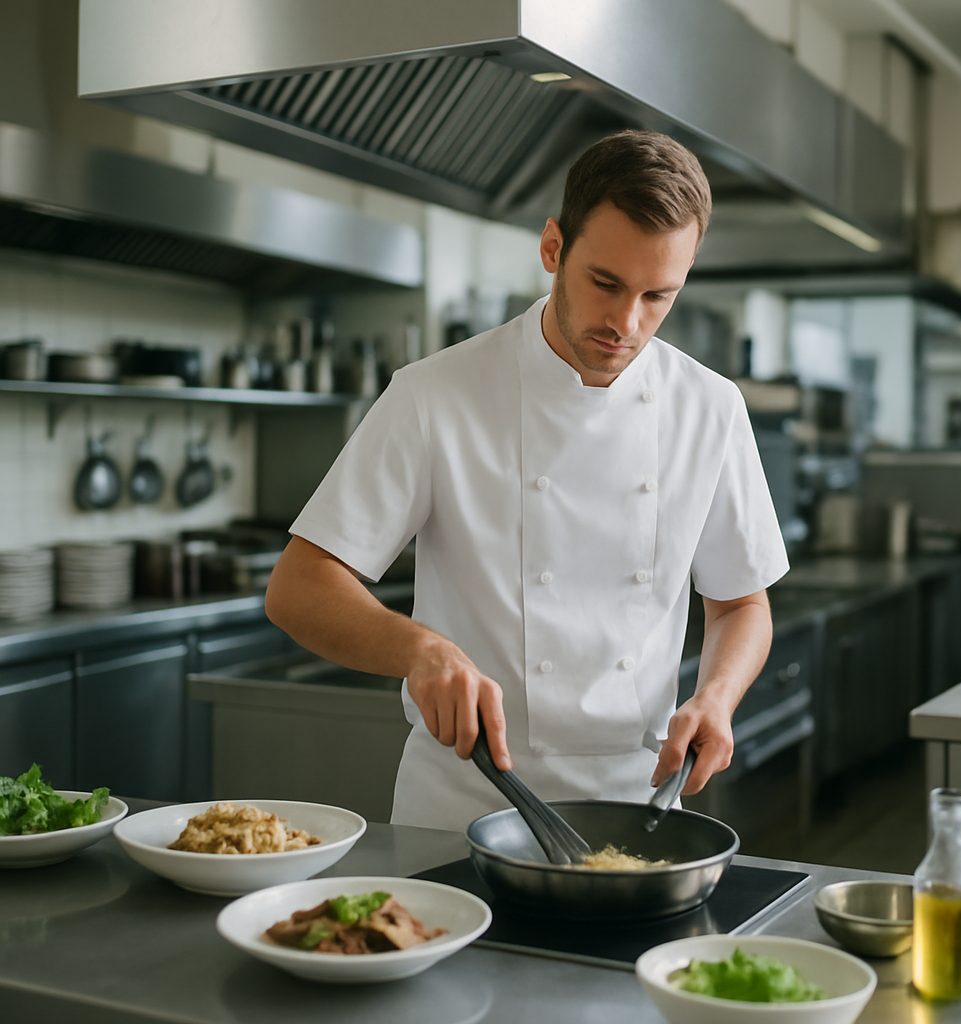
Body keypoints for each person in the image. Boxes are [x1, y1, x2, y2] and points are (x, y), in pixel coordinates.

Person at [265, 129, 789, 831]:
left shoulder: (711, 408)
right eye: (605, 283)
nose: (626, 322)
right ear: (552, 248)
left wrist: (716, 698)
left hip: (632, 807)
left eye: (657, 296)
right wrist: (421, 650)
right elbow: (298, 588)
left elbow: (741, 603)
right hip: (459, 807)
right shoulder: (434, 395)